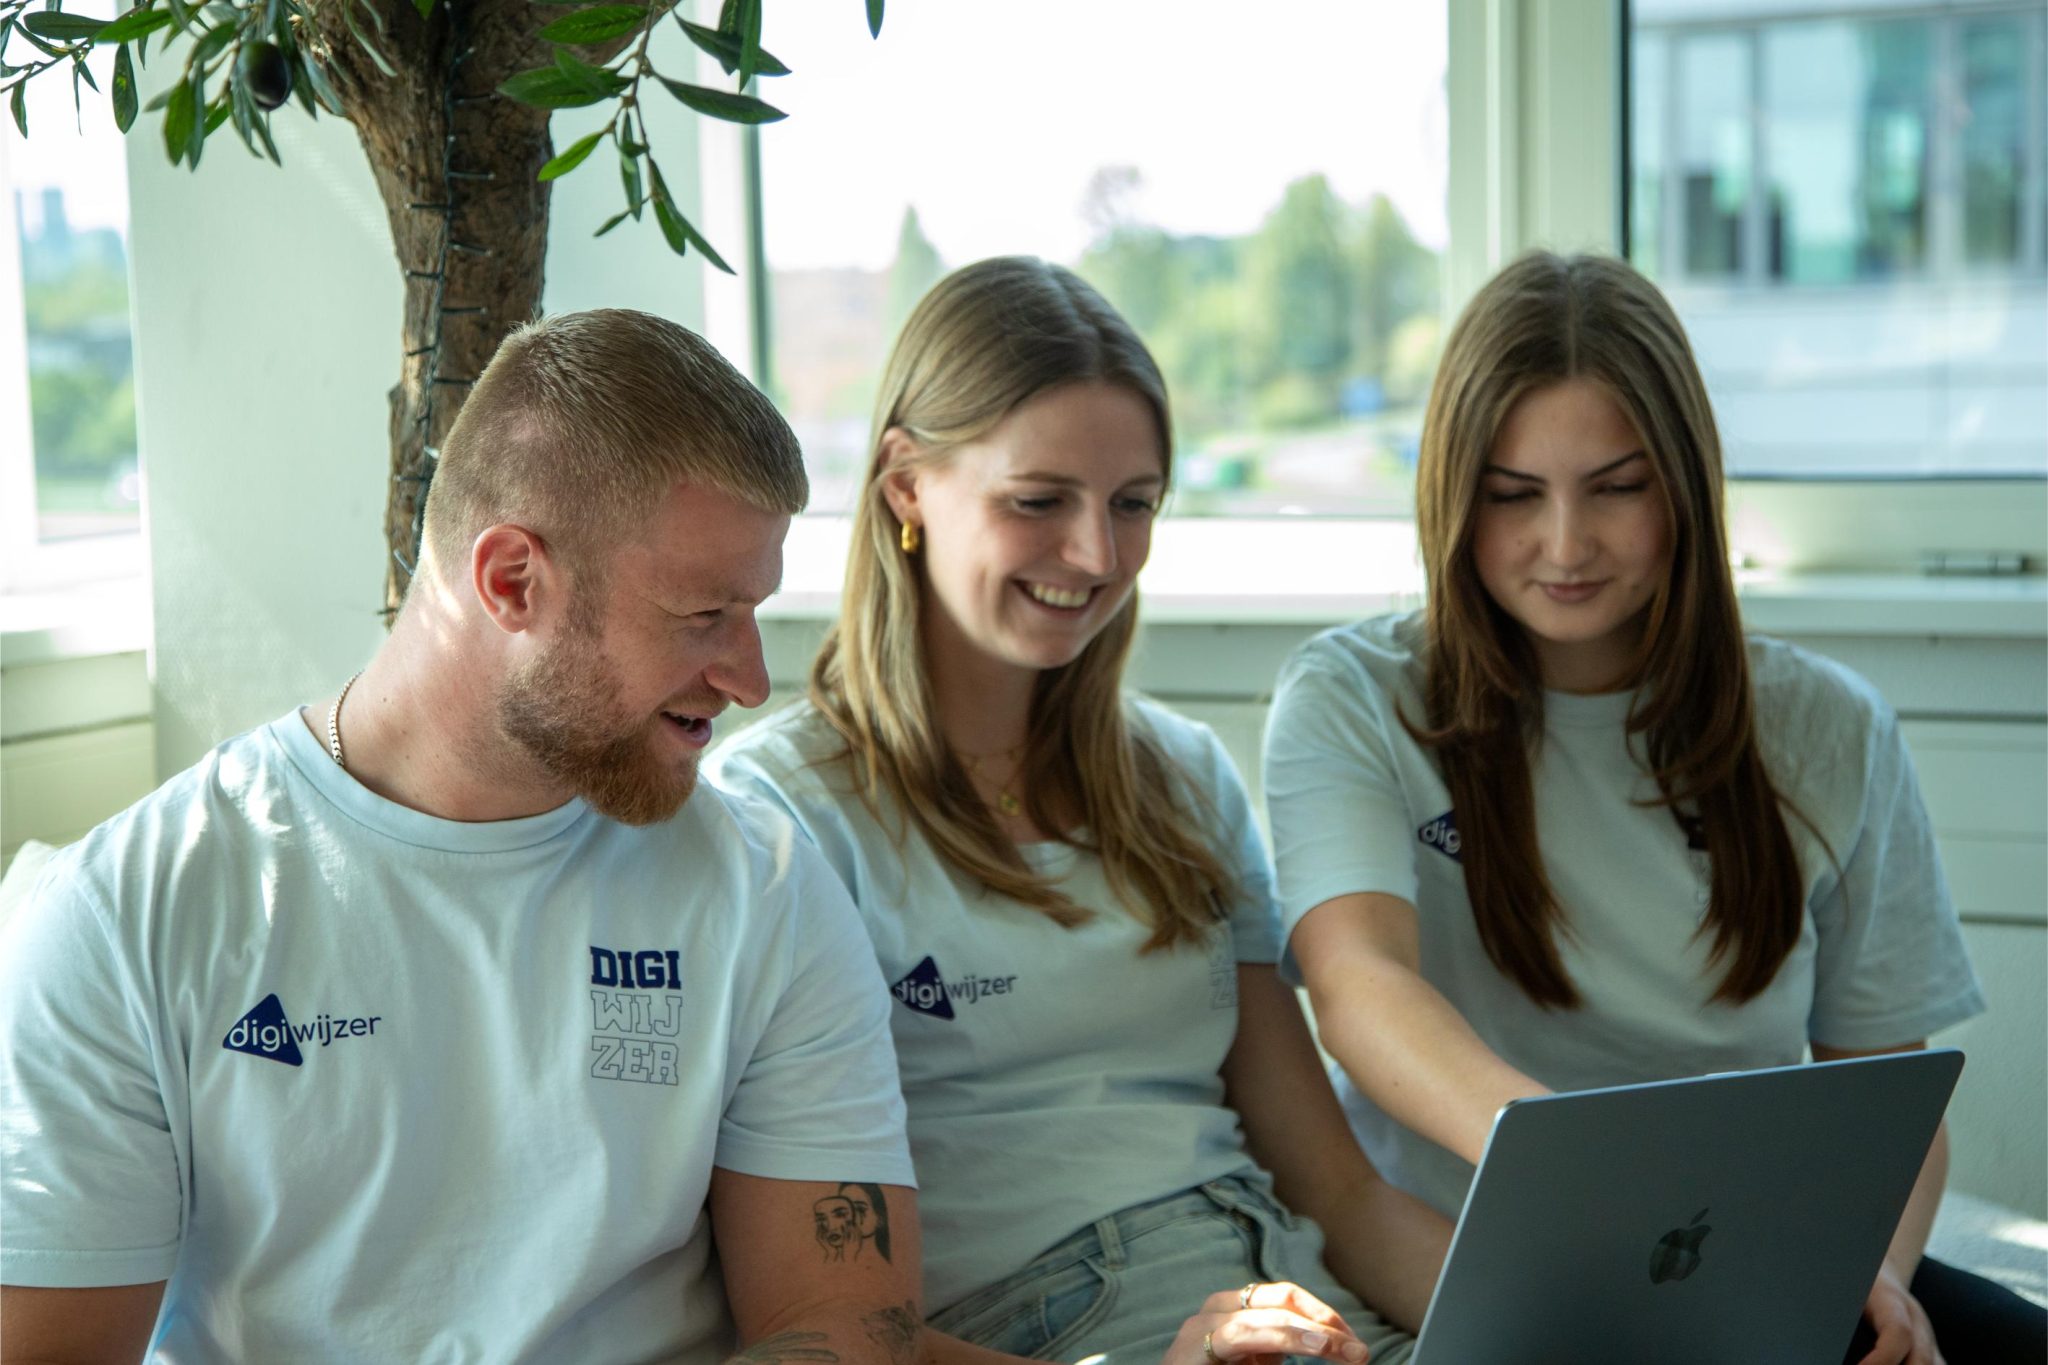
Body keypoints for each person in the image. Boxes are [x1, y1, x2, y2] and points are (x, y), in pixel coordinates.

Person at [0, 309, 927, 1364]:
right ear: (510, 582)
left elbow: (849, 1323)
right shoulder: (133, 912)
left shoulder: (760, 884)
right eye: (702, 617)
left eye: (751, 613)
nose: (749, 681)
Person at [1261, 251, 2044, 1365]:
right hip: (1464, 1258)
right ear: (1451, 494)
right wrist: (1593, 1181)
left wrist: (1868, 1270)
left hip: (1758, 1261)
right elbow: (1358, 987)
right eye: (1511, 494)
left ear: (1682, 481)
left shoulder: (1829, 727)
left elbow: (1884, 1104)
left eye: (1617, 487)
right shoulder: (1352, 697)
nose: (1565, 543)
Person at [710, 258, 1448, 1365]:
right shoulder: (780, 814)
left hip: (1292, 1304)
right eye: (1038, 501)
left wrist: (1573, 1317)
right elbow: (833, 1327)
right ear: (904, 484)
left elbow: (1338, 1191)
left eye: (1133, 505)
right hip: (1053, 1332)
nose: (1096, 557)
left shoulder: (1182, 777)